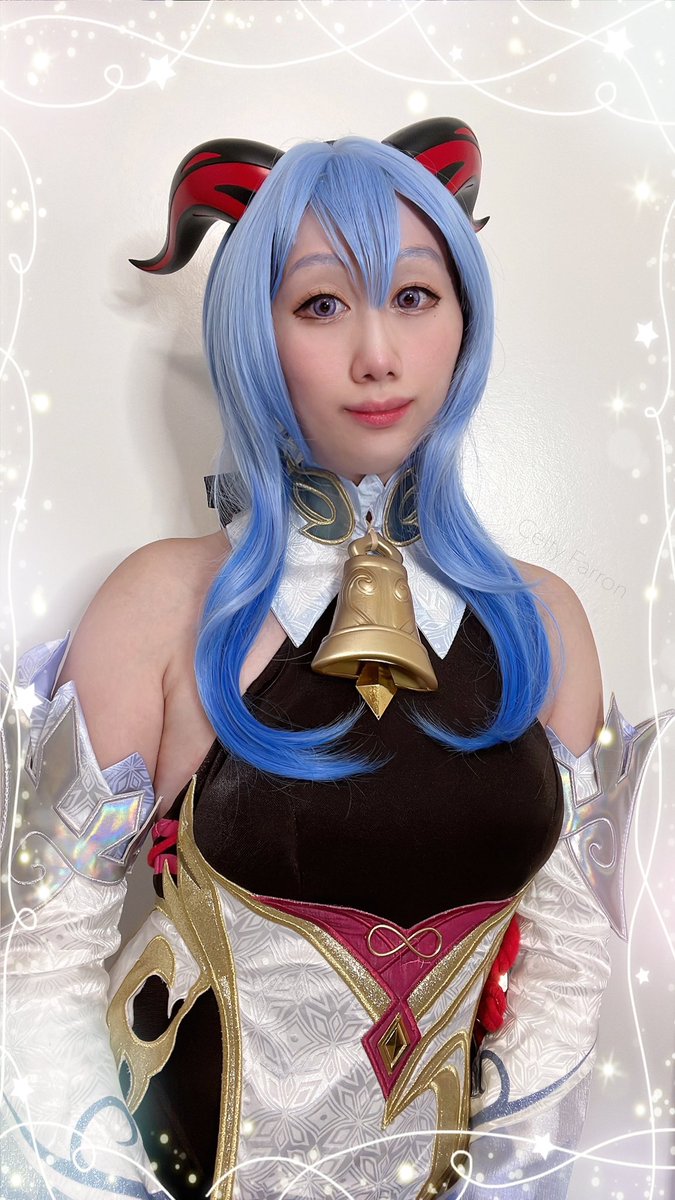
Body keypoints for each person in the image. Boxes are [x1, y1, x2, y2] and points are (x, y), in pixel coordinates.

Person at [2, 120, 671, 1200]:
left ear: (464, 318)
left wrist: (501, 1179)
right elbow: (39, 963)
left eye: (413, 296)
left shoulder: (542, 620)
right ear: (254, 333)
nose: (378, 354)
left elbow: (571, 953)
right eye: (320, 304)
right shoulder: (161, 605)